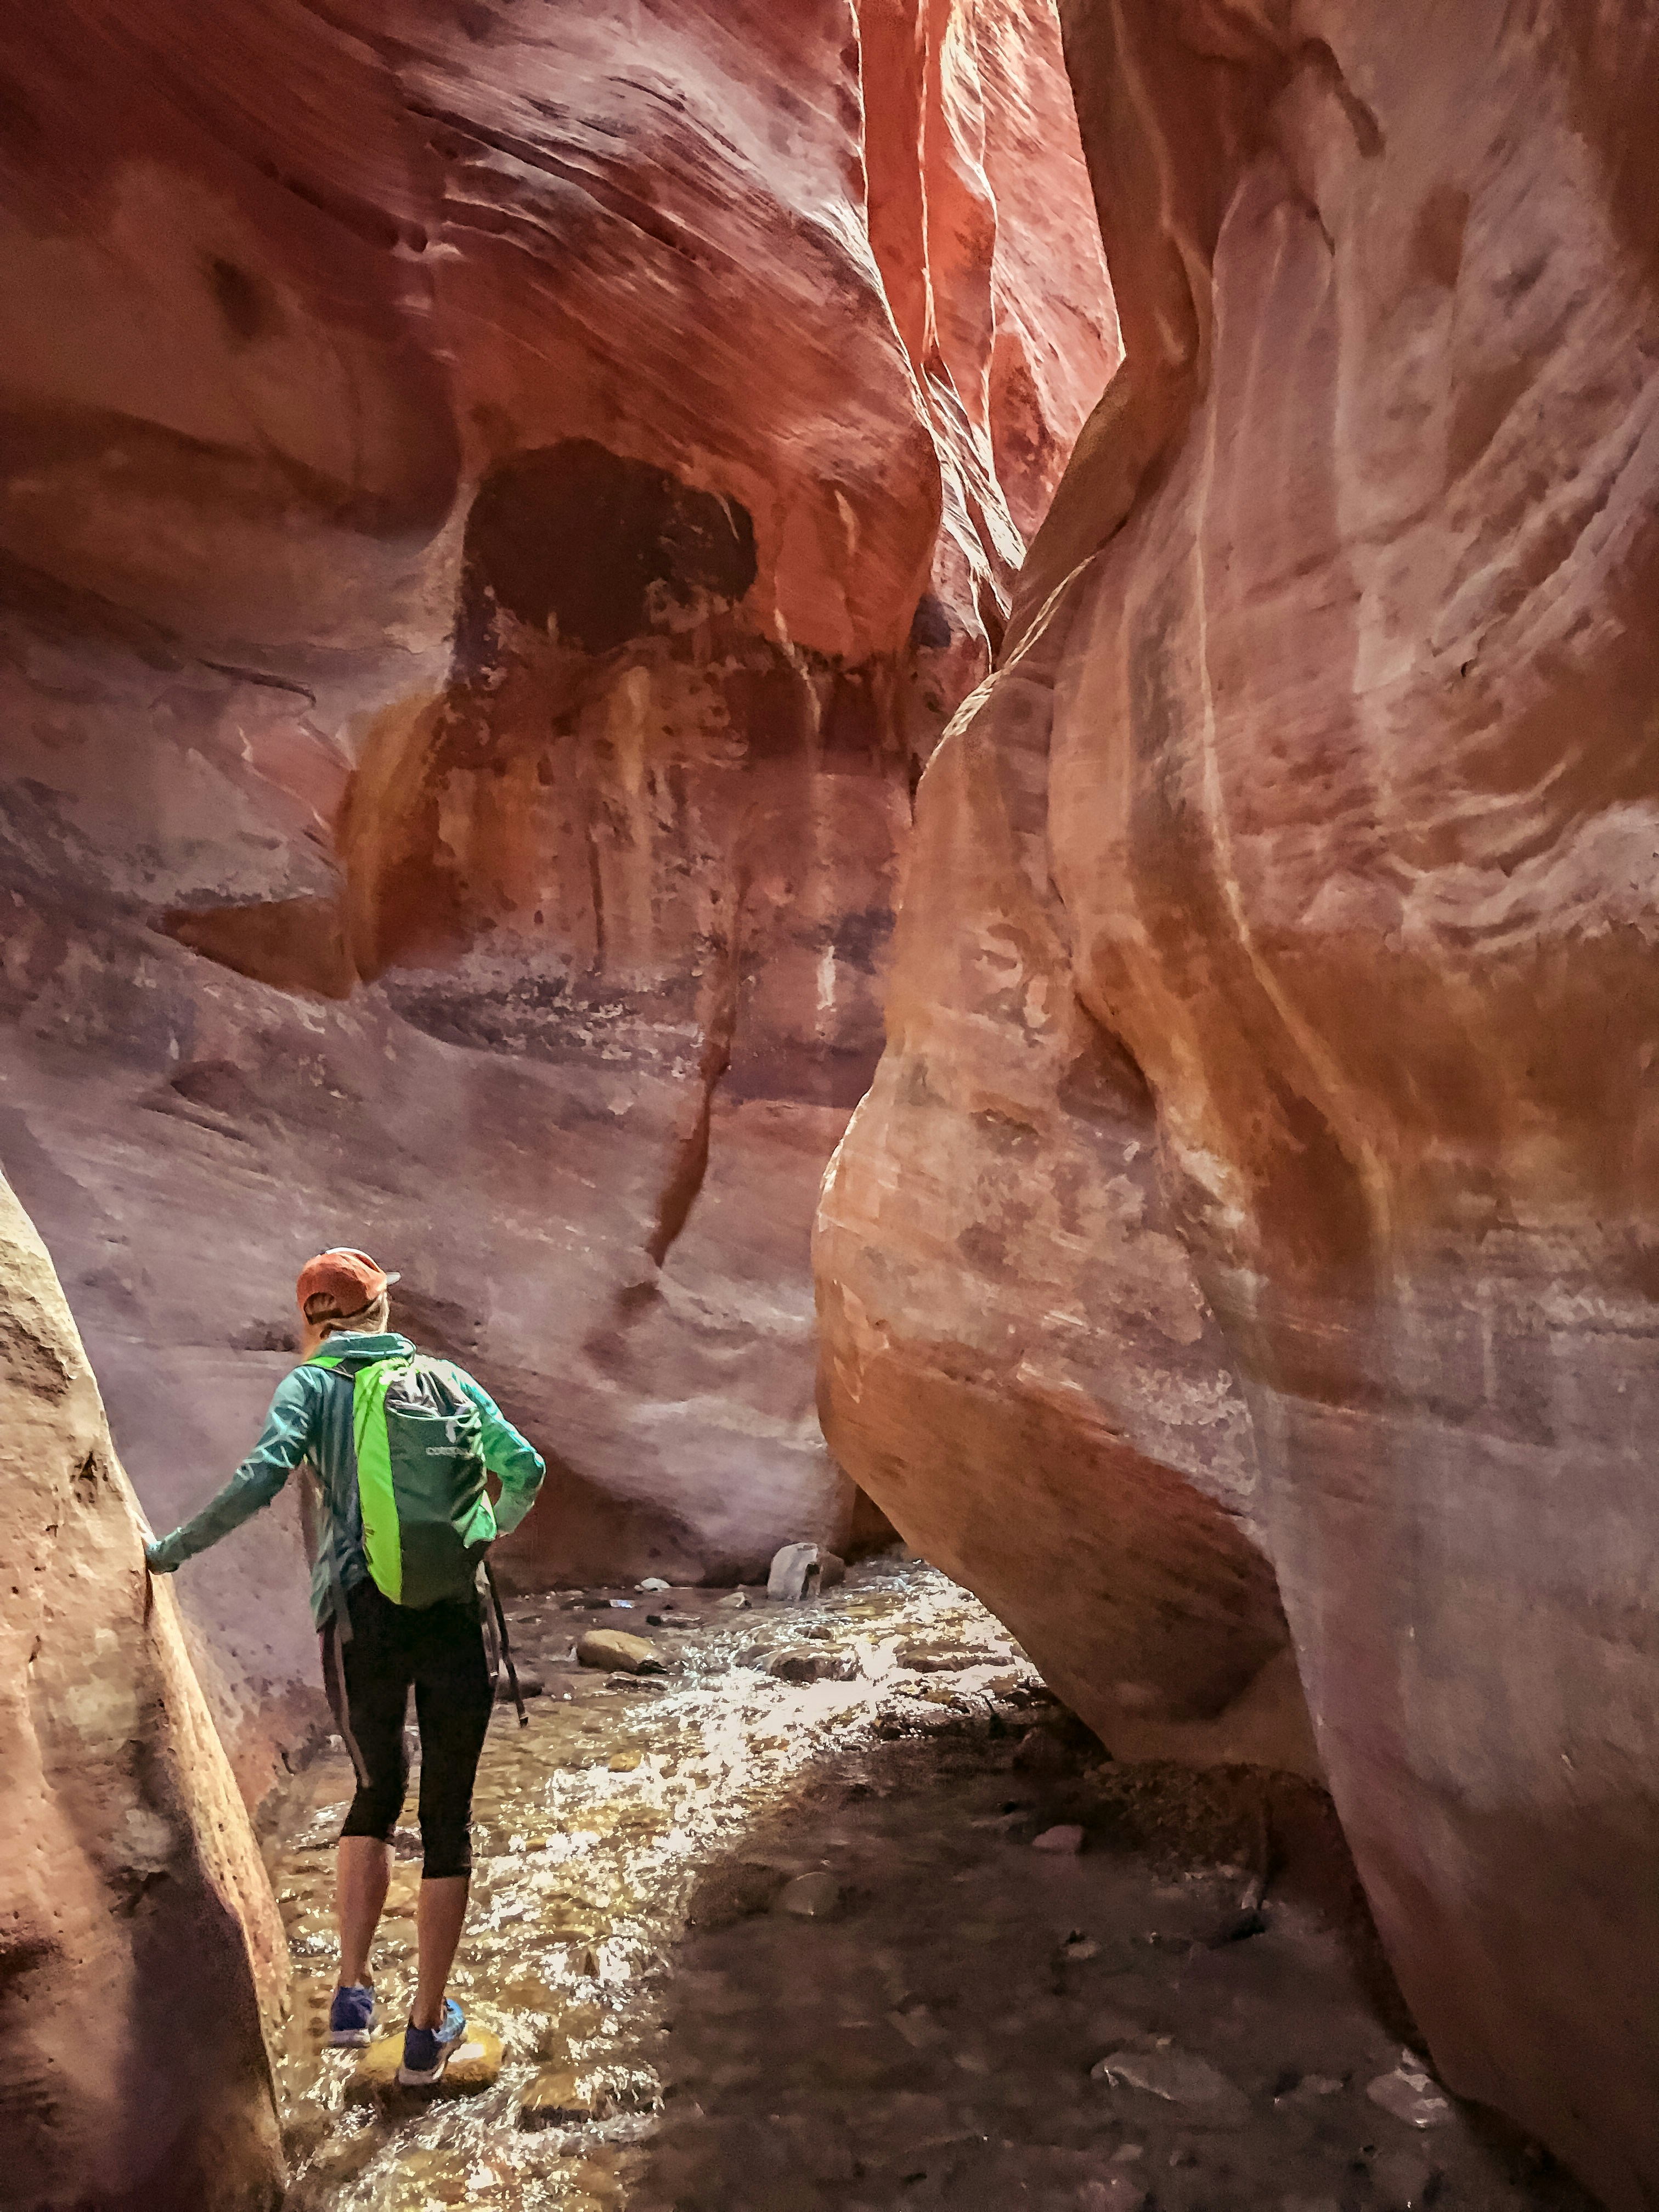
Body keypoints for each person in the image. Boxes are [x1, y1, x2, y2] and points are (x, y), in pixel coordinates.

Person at [145, 1246, 545, 2085]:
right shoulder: (448, 1381)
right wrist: (486, 1530)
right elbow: (524, 1468)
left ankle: (352, 1992)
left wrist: (171, 1552)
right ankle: (429, 2033)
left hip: (362, 1613)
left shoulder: (310, 1386)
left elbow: (261, 1478)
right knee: (447, 1818)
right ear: (379, 1312)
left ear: (314, 1320)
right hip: (454, 1614)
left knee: (374, 1789)